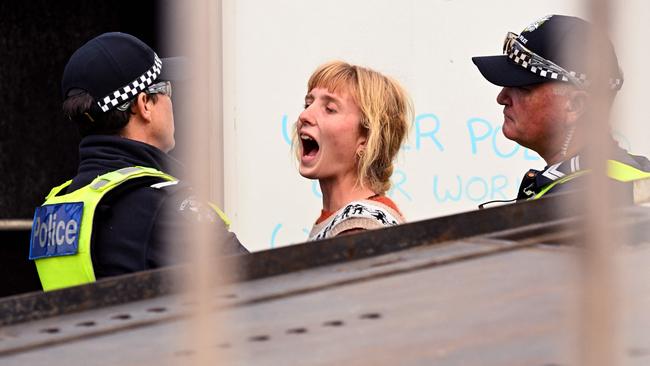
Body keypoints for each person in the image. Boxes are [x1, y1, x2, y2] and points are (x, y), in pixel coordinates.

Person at [29, 32, 247, 292]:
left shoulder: (56, 211)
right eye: (166, 89)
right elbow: (258, 289)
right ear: (144, 104)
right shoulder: (165, 207)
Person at [472, 14, 650, 202]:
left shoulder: (587, 202)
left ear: (575, 106)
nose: (502, 98)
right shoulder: (621, 179)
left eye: (523, 88)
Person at [295, 61, 413, 241]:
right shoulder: (339, 222)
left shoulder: (359, 230)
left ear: (367, 138)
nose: (304, 116)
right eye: (308, 104)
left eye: (330, 109)